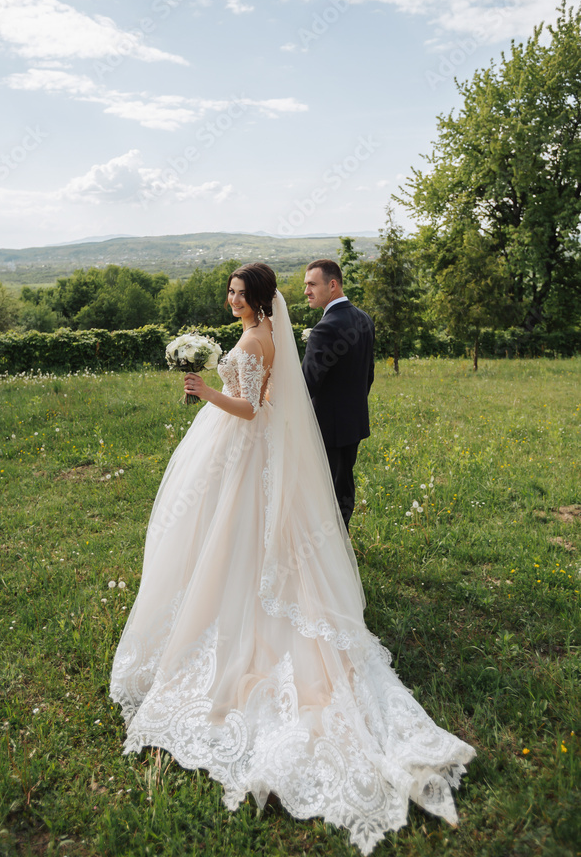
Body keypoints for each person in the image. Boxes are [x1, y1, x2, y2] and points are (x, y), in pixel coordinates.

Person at [110, 262, 474, 855]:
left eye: (237, 291)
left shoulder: (257, 338)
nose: (230, 298)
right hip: (244, 449)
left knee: (228, 538)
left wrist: (206, 391)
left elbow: (251, 408)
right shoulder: (272, 333)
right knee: (231, 538)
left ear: (256, 297)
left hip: (240, 444)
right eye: (227, 291)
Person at [302, 259, 375, 529]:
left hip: (326, 425)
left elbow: (306, 384)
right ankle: (339, 543)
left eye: (312, 284)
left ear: (332, 285)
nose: (306, 291)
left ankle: (329, 551)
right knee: (343, 485)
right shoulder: (364, 318)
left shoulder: (325, 328)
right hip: (352, 422)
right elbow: (368, 374)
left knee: (324, 489)